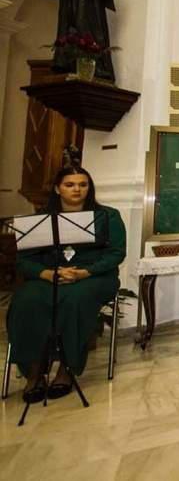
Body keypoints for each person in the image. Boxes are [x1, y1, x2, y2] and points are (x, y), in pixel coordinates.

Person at [8, 166, 125, 403]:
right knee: (26, 300)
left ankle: (66, 369)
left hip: (93, 277)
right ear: (57, 188)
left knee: (74, 300)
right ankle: (34, 371)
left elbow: (116, 254)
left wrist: (84, 272)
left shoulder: (108, 216)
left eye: (83, 185)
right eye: (70, 184)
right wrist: (46, 274)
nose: (77, 189)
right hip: (49, 276)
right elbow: (24, 260)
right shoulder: (39, 219)